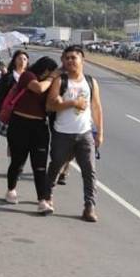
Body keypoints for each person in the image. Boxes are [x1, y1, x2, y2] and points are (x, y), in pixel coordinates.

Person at [46, 45, 104, 222]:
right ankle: (47, 197)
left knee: (89, 171)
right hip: (62, 133)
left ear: (82, 60)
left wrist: (99, 133)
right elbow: (50, 105)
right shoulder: (60, 81)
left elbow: (96, 107)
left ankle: (89, 206)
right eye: (67, 58)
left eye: (74, 57)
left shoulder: (90, 82)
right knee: (55, 166)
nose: (71, 60)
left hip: (84, 133)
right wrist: (72, 103)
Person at [5, 56, 58, 213]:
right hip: (19, 124)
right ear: (46, 69)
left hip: (40, 127)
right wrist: (52, 77)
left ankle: (42, 200)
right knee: (17, 162)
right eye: (50, 72)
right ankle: (11, 189)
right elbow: (38, 88)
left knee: (40, 166)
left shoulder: (51, 83)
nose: (51, 75)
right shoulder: (28, 76)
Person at [0, 50, 30, 158]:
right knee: (12, 140)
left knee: (23, 141)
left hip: (26, 112)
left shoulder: (31, 78)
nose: (22, 61)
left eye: (24, 59)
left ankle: (18, 162)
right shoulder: (8, 77)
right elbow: (2, 94)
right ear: (14, 61)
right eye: (19, 58)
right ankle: (13, 163)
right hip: (11, 112)